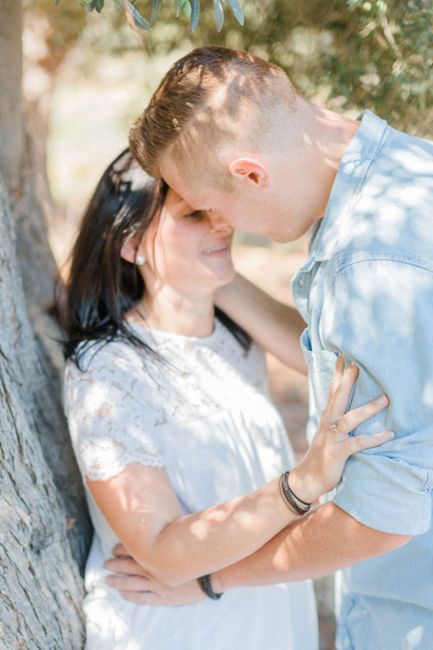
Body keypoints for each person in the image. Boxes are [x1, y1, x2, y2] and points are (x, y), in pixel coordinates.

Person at [119, 46, 433, 649]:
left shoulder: (367, 265)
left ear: (251, 173)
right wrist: (209, 274)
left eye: (212, 207)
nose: (222, 226)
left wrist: (212, 578)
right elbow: (356, 363)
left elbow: (382, 520)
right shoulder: (405, 167)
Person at [61, 148, 392, 650]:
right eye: (193, 214)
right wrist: (301, 485)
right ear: (130, 242)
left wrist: (209, 269)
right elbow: (162, 553)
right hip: (171, 631)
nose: (221, 222)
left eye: (217, 205)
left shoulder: (234, 336)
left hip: (264, 619)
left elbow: (330, 358)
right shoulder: (108, 368)